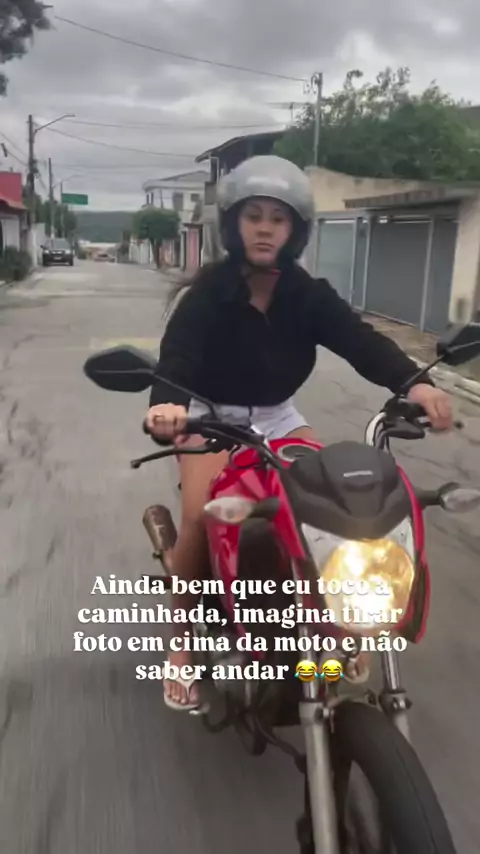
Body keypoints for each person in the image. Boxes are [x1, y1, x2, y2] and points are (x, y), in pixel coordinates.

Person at [145, 154, 453, 711]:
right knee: (200, 514)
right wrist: (167, 406)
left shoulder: (307, 295)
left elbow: (360, 341)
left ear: (296, 231)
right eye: (254, 216)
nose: (265, 228)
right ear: (233, 225)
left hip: (277, 413)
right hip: (209, 415)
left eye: (278, 219)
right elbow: (178, 359)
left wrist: (416, 383)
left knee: (329, 501)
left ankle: (333, 622)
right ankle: (184, 644)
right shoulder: (207, 298)